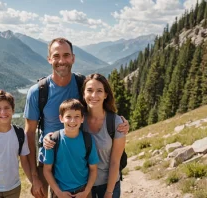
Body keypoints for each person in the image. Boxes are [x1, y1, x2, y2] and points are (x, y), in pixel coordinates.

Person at [24, 37, 129, 198]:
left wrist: (119, 122)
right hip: (49, 165)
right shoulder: (37, 92)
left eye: (66, 55)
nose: (61, 60)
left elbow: (97, 103)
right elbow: (29, 134)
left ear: (73, 58)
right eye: (56, 56)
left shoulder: (81, 84)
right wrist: (34, 177)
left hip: (79, 164)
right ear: (49, 59)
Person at [44, 73, 126, 198]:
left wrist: (109, 192)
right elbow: (64, 135)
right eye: (90, 90)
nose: (94, 95)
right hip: (82, 186)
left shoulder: (116, 123)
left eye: (99, 91)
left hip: (108, 184)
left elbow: (115, 162)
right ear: (83, 94)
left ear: (105, 95)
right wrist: (47, 138)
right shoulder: (78, 118)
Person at [43, 99, 99, 198]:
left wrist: (86, 192)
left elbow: (93, 169)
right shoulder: (53, 140)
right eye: (68, 116)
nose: (72, 121)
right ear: (61, 118)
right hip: (59, 192)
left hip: (83, 191)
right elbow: (47, 170)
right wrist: (59, 193)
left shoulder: (87, 139)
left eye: (77, 116)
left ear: (82, 119)